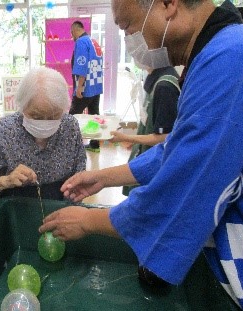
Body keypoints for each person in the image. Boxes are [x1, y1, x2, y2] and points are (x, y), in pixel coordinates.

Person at [39, 0, 243, 308]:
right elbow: (179, 149)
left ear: (167, 4)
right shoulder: (216, 52)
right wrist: (102, 177)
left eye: (129, 27)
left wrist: (89, 221)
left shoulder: (228, 59)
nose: (133, 42)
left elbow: (187, 183)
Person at [0, 67, 86, 200]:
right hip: (15, 205)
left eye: (54, 116)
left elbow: (79, 171)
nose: (45, 122)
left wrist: (75, 192)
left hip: (61, 203)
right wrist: (6, 181)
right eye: (36, 116)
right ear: (22, 106)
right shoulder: (2, 131)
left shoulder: (69, 126)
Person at [109, 66, 180, 195]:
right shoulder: (156, 77)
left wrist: (126, 138)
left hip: (155, 162)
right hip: (146, 153)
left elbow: (164, 137)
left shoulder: (164, 87)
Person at [69, 20, 104, 153]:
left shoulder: (81, 42)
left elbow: (81, 64)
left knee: (71, 118)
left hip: (85, 88)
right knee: (94, 115)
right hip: (96, 85)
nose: (72, 36)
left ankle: (70, 148)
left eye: (72, 33)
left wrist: (79, 87)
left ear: (75, 30)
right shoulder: (94, 41)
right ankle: (95, 145)